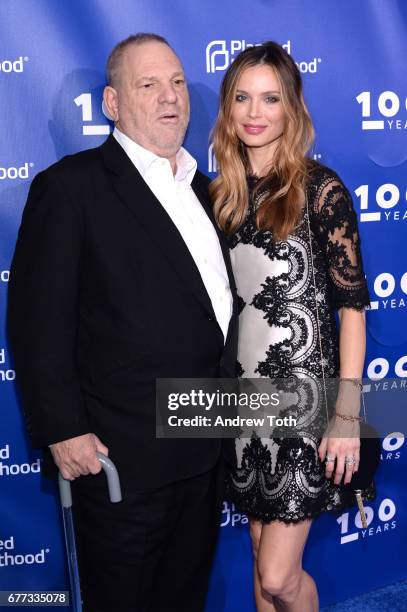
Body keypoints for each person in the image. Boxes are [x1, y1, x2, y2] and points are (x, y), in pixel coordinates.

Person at [8, 33, 237, 612]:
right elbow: (38, 322)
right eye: (149, 84)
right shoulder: (71, 188)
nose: (171, 97)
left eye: (179, 82)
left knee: (183, 598)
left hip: (203, 450)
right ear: (112, 103)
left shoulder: (207, 192)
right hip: (120, 460)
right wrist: (63, 429)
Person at [210, 41, 374, 611]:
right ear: (228, 108)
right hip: (243, 406)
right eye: (242, 97)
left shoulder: (320, 189)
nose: (255, 112)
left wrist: (347, 413)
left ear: (292, 108)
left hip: (306, 405)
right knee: (261, 567)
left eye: (270, 98)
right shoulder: (219, 198)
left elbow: (352, 309)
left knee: (280, 576)